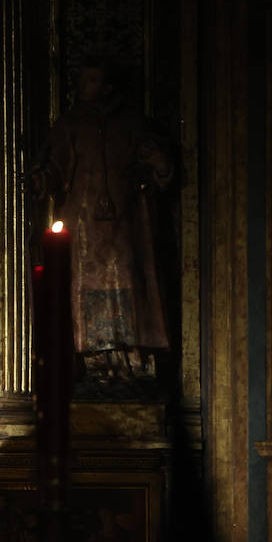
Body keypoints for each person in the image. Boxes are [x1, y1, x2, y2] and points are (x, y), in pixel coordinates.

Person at [30, 57, 174, 396]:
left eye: (92, 80)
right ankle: (92, 363)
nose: (85, 86)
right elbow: (54, 168)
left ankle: (129, 362)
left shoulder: (133, 124)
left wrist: (160, 164)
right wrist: (40, 180)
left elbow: (157, 171)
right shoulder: (68, 125)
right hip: (82, 226)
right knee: (84, 289)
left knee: (127, 283)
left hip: (124, 225)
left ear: (108, 85)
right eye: (82, 79)